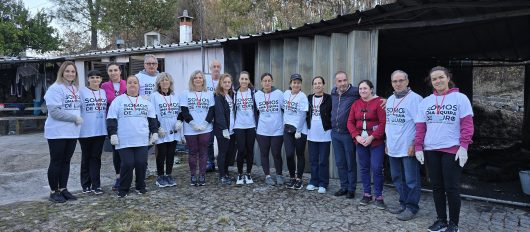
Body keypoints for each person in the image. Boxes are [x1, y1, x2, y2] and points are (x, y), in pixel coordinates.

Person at [415, 66, 474, 232]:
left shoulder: (460, 98)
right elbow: (420, 127)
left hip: (452, 149)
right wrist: (418, 146)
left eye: (441, 77)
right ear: (431, 82)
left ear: (448, 78)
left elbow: (467, 125)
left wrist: (464, 146)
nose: (438, 81)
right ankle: (441, 220)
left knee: (452, 187)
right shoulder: (426, 102)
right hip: (431, 149)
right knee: (436, 186)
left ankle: (453, 224)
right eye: (434, 79)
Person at [107, 75, 158, 198]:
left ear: (138, 86)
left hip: (141, 139)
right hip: (124, 139)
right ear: (126, 85)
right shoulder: (118, 101)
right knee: (127, 164)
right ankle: (124, 188)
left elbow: (152, 119)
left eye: (135, 83)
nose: (132, 85)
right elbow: (111, 119)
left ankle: (140, 186)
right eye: (130, 82)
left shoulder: (146, 102)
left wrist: (154, 132)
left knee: (141, 163)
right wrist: (112, 134)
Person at [384, 70, 423, 220]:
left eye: (401, 80)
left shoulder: (415, 99)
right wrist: (387, 142)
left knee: (411, 179)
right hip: (393, 146)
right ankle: (403, 203)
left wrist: (415, 144)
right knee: (396, 177)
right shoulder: (390, 99)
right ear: (392, 83)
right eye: (395, 81)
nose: (398, 84)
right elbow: (389, 123)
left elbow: (420, 124)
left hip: (408, 147)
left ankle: (412, 207)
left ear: (407, 81)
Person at [44, 61, 83, 203]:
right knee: (56, 161)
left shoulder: (75, 88)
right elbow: (54, 112)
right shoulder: (55, 88)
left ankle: (63, 189)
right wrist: (74, 118)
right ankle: (54, 191)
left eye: (73, 72)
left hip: (72, 132)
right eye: (67, 71)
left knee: (66, 162)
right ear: (62, 72)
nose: (70, 74)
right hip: (57, 132)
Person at [347, 80, 386, 209]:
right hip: (360, 142)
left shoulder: (379, 102)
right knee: (364, 168)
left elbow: (383, 123)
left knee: (376, 168)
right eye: (360, 89)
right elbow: (350, 122)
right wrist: (356, 136)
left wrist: (372, 137)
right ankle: (367, 194)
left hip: (376, 142)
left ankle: (379, 195)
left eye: (365, 88)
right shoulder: (356, 104)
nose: (363, 91)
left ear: (371, 89)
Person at [180, 70, 215, 186]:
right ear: (192, 80)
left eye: (200, 77)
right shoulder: (185, 93)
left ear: (203, 80)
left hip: (206, 128)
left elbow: (211, 111)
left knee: (204, 152)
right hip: (190, 129)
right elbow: (184, 111)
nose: (198, 79)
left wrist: (205, 123)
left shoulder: (209, 94)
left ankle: (202, 175)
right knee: (192, 152)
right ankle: (193, 175)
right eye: (196, 77)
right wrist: (193, 123)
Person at [150, 72, 183, 188]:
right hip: (162, 130)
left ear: (170, 83)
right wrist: (157, 127)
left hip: (173, 130)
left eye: (167, 80)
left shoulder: (175, 95)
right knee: (161, 154)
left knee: (171, 154)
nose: (165, 82)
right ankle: (160, 176)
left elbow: (180, 111)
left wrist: (179, 121)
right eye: (163, 80)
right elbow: (152, 113)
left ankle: (169, 174)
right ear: (159, 83)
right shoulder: (154, 96)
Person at [330, 71, 359, 199]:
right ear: (336, 82)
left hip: (348, 134)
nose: (342, 83)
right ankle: (343, 187)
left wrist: (384, 100)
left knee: (350, 161)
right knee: (340, 162)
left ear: (347, 80)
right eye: (339, 81)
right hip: (335, 133)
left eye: (344, 80)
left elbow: (370, 95)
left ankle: (351, 189)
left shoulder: (355, 91)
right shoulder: (333, 92)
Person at [78, 69, 107, 195]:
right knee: (86, 157)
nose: (95, 80)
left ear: (101, 79)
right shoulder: (82, 92)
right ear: (88, 79)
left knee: (96, 158)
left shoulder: (103, 92)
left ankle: (96, 185)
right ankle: (85, 184)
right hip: (85, 131)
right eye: (92, 77)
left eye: (98, 77)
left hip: (100, 130)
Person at [255, 73, 285, 186]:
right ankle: (267, 175)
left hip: (277, 130)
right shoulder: (257, 95)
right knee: (264, 154)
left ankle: (279, 174)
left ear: (272, 81)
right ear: (261, 82)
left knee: (276, 153)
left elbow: (285, 109)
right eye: (264, 81)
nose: (267, 83)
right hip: (262, 130)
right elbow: (255, 112)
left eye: (269, 80)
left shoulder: (279, 94)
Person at [101, 62, 126, 191]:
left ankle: (127, 177)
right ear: (108, 73)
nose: (113, 73)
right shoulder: (104, 86)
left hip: (126, 121)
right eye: (110, 71)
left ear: (120, 71)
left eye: (115, 70)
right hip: (112, 122)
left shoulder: (127, 84)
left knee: (126, 149)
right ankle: (118, 177)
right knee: (116, 151)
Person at [306, 76, 332, 194]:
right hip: (312, 134)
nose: (317, 85)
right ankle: (313, 181)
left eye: (319, 83)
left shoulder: (329, 98)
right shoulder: (309, 98)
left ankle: (323, 183)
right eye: (315, 83)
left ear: (323, 84)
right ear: (313, 86)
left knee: (323, 160)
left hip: (325, 134)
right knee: (313, 160)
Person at [283, 73, 308, 190]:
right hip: (287, 129)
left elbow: (303, 114)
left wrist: (298, 130)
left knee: (300, 154)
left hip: (299, 130)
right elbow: (284, 108)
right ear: (290, 83)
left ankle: (299, 179)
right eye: (294, 82)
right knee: (289, 154)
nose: (296, 84)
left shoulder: (302, 96)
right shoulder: (286, 94)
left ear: (300, 84)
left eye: (298, 83)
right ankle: (292, 177)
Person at [233, 71, 257, 185]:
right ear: (239, 80)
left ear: (249, 81)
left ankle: (248, 174)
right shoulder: (234, 93)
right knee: (241, 150)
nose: (244, 81)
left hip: (251, 125)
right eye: (242, 79)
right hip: (239, 125)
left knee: (250, 150)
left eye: (246, 79)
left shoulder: (253, 93)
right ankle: (239, 174)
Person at [213, 73, 236, 185]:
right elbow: (219, 114)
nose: (227, 84)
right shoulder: (219, 96)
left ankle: (226, 173)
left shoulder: (231, 95)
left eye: (229, 82)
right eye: (225, 82)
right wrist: (224, 129)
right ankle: (222, 175)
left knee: (229, 153)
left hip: (232, 129)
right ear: (221, 83)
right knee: (222, 152)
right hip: (223, 130)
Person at [205, 60, 222, 172]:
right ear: (210, 68)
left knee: (222, 141)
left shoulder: (222, 81)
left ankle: (222, 162)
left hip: (220, 116)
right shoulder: (205, 81)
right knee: (209, 141)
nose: (216, 68)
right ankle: (210, 162)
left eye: (218, 66)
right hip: (208, 116)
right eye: (214, 66)